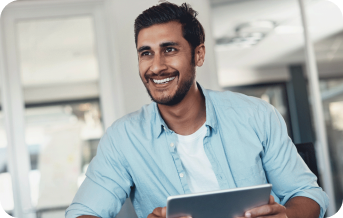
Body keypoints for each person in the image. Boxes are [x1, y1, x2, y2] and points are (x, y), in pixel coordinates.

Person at [65, 2, 329, 218]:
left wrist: (286, 216)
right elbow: (82, 213)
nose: (156, 66)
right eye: (146, 53)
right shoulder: (123, 138)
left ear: (198, 54)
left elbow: (309, 194)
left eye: (169, 49)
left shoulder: (256, 115)